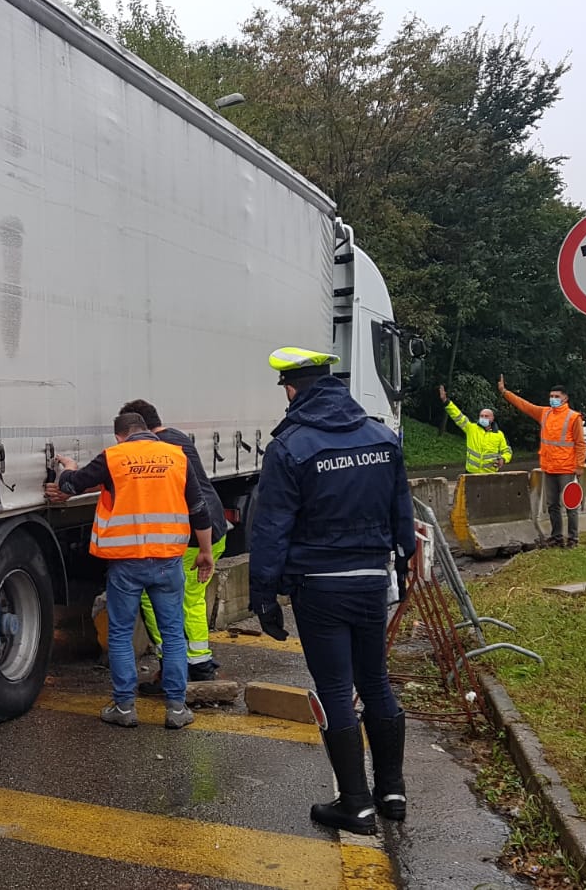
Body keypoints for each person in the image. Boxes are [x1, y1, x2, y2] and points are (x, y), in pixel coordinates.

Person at [249, 347, 414, 836]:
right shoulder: (382, 437)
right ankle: (392, 792)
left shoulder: (291, 447)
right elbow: (400, 509)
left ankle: (356, 804)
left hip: (319, 587)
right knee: (376, 682)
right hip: (370, 580)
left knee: (337, 691)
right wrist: (402, 568)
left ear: (293, 389)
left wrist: (264, 596)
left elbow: (272, 528)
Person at [49, 411, 215, 730]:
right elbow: (198, 508)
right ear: (149, 431)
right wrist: (205, 552)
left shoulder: (114, 457)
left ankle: (125, 708)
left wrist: (68, 468)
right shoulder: (176, 456)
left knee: (122, 634)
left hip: (126, 565)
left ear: (119, 436)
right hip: (168, 563)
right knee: (173, 634)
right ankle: (177, 709)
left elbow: (71, 484)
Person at [117, 399, 228, 684]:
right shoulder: (178, 437)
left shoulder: (156, 449)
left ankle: (171, 666)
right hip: (213, 526)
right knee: (192, 598)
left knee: (152, 598)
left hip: (190, 533)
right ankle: (200, 662)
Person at [497, 375, 586, 548]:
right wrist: (505, 392)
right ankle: (557, 537)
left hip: (567, 468)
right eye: (551, 397)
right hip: (549, 467)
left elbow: (580, 443)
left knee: (570, 505)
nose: (553, 399)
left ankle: (573, 538)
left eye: (557, 397)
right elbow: (525, 406)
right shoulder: (545, 413)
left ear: (565, 398)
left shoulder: (573, 417)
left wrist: (579, 465)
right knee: (552, 505)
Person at [438, 385, 513, 474]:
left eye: (486, 416)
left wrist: (503, 459)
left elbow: (507, 451)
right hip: (470, 473)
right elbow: (457, 416)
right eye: (481, 416)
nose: (483, 418)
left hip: (490, 475)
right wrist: (446, 402)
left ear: (492, 418)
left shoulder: (499, 434)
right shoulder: (471, 428)